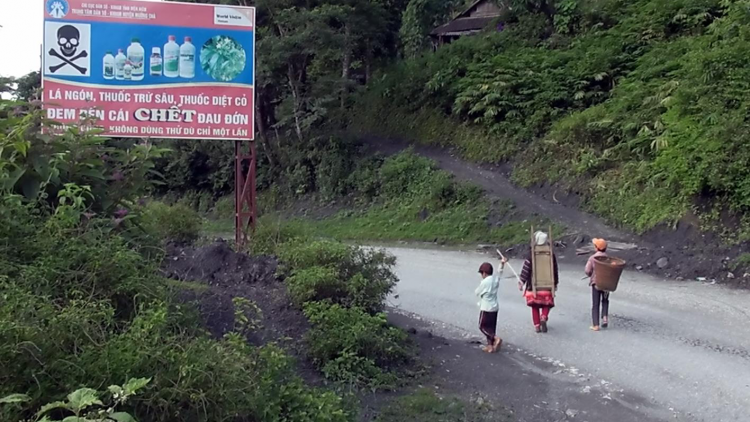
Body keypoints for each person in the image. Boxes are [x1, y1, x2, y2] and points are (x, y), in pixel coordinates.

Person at [519, 231, 559, 333]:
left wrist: (521, 281)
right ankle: (544, 317)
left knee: (534, 306)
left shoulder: (532, 254)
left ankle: (537, 325)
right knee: (547, 304)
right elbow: (554, 269)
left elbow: (526, 269)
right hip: (548, 286)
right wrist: (555, 283)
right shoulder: (550, 253)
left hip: (534, 287)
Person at [475, 257, 506, 353]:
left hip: (486, 307)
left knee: (482, 326)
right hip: (495, 307)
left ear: (484, 273)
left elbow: (477, 292)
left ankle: (496, 338)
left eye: (481, 273)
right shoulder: (495, 279)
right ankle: (490, 346)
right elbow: (500, 272)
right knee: (491, 327)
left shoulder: (484, 282)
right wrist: (502, 263)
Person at [586, 238, 609, 331]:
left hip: (596, 283)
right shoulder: (608, 258)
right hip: (607, 284)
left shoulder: (592, 258)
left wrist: (590, 274)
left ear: (596, 248)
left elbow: (587, 270)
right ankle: (605, 318)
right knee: (605, 301)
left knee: (595, 304)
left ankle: (596, 325)